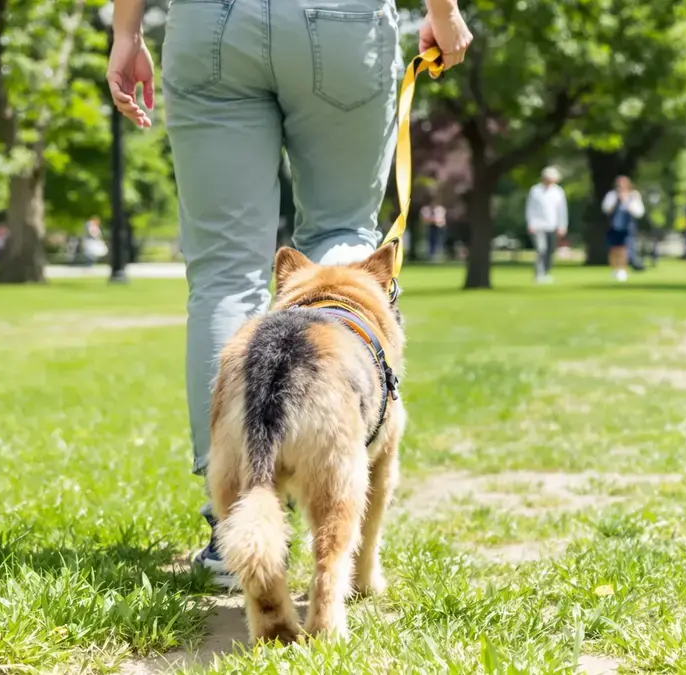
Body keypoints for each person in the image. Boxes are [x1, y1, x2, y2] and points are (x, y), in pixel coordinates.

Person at [107, 0, 472, 587]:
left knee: (225, 273)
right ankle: (337, 485)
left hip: (210, 23)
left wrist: (126, 31)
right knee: (342, 235)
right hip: (343, 19)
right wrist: (444, 11)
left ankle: (235, 522)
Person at [525, 166, 568, 283]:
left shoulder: (558, 191)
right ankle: (539, 273)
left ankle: (546, 272)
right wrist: (531, 224)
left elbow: (562, 211)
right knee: (541, 249)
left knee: (550, 251)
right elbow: (530, 209)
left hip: (552, 225)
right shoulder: (535, 190)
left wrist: (562, 226)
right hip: (538, 225)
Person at [602, 176, 645, 282]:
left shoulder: (633, 196)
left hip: (627, 226)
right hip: (614, 226)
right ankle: (615, 268)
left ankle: (622, 269)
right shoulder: (612, 195)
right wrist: (617, 201)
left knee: (624, 248)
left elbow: (639, 212)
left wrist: (626, 201)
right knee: (614, 248)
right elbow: (606, 209)